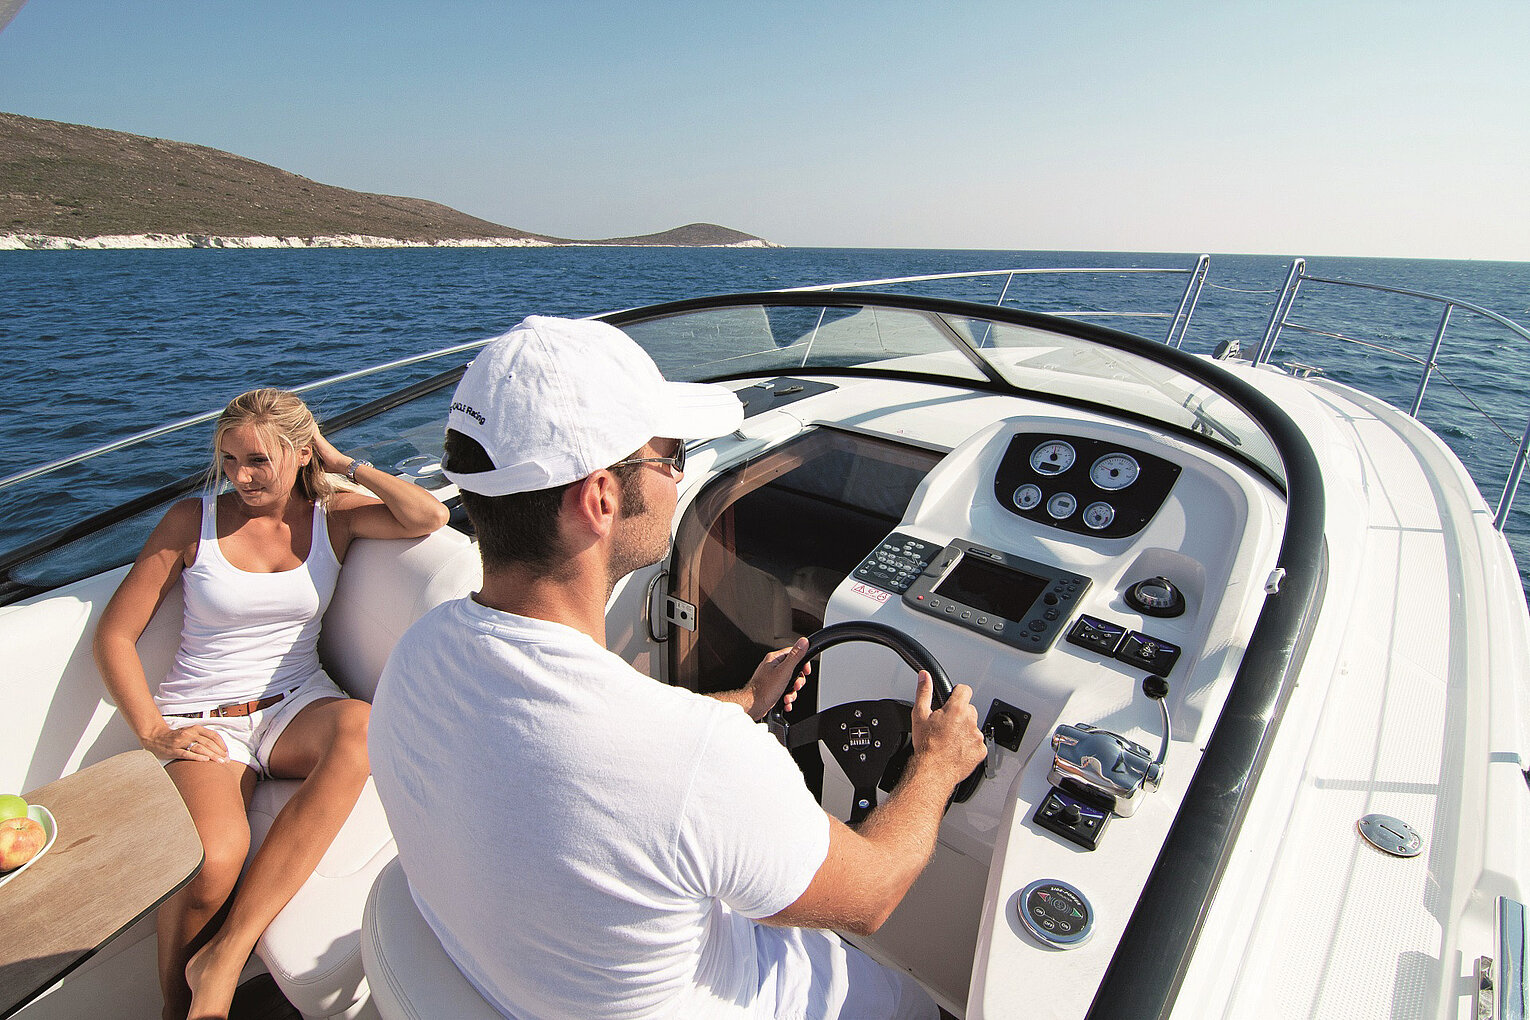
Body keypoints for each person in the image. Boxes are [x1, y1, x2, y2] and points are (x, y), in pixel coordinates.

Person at [369, 316, 988, 1019]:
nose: (679, 476)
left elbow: (595, 761)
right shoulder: (692, 760)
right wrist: (939, 762)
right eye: (670, 458)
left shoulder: (418, 656)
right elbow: (872, 897)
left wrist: (747, 701)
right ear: (599, 499)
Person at [93, 388, 451, 1020]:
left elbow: (428, 518)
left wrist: (343, 464)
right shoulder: (190, 521)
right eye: (229, 460)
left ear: (298, 452)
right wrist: (152, 731)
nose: (242, 475)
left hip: (294, 704)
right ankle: (181, 1008)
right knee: (216, 861)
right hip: (207, 720)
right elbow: (115, 635)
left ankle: (225, 956)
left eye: (257, 459)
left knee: (361, 728)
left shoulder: (332, 515)